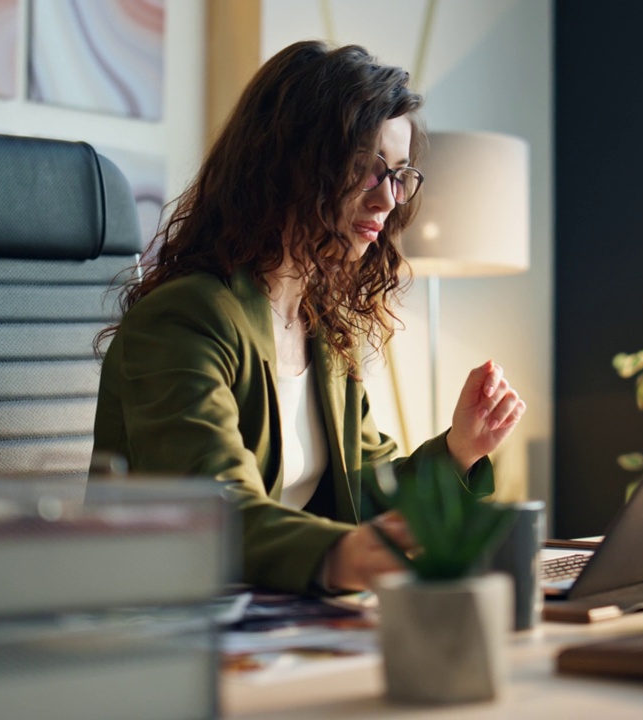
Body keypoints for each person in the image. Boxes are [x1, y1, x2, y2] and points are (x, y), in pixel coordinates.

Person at [92, 40, 525, 595]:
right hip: (176, 626)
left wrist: (460, 448)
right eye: (366, 169)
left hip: (280, 620)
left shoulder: (323, 328)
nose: (388, 200)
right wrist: (343, 555)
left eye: (399, 174)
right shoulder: (184, 319)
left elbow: (366, 495)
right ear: (289, 164)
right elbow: (213, 511)